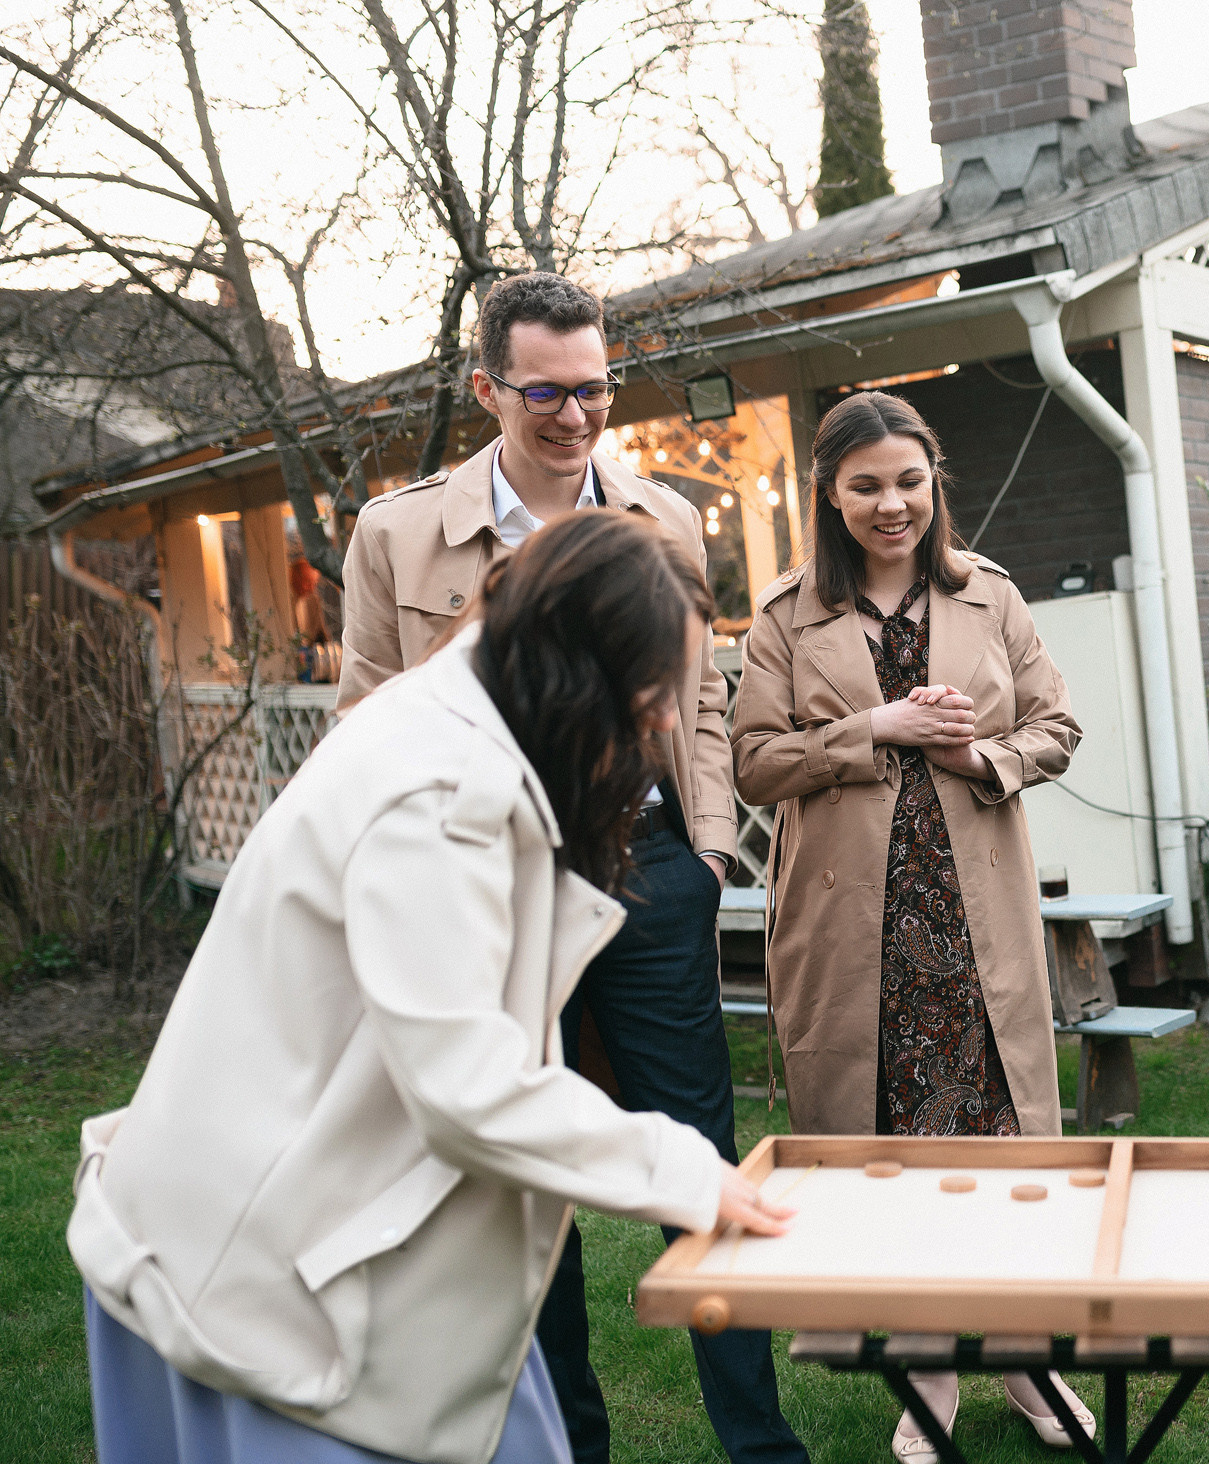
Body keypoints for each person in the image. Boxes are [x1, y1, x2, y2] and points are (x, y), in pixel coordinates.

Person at [70, 512, 796, 1464]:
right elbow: (467, 1086)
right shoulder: (440, 793)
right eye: (654, 690)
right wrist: (683, 1169)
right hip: (260, 1295)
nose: (664, 722)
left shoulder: (450, 723)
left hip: (317, 1246)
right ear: (577, 669)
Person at [336, 273, 803, 1464]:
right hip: (486, 885)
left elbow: (702, 698)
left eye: (593, 388)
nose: (574, 415)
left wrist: (702, 851)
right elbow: (365, 721)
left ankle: (759, 1445)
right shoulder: (397, 533)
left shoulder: (670, 520)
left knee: (695, 1152)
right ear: (487, 386)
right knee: (520, 1170)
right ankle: (566, 1448)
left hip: (646, 871)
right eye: (544, 391)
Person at [729, 390, 1090, 1461]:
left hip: (975, 925)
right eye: (866, 486)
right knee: (900, 1154)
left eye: (909, 481)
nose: (892, 505)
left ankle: (1029, 1364)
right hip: (859, 937)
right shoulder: (787, 616)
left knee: (998, 1147)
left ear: (935, 482)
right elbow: (752, 762)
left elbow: (1057, 723)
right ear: (830, 496)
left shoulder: (991, 598)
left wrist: (984, 756)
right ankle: (929, 1372)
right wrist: (871, 729)